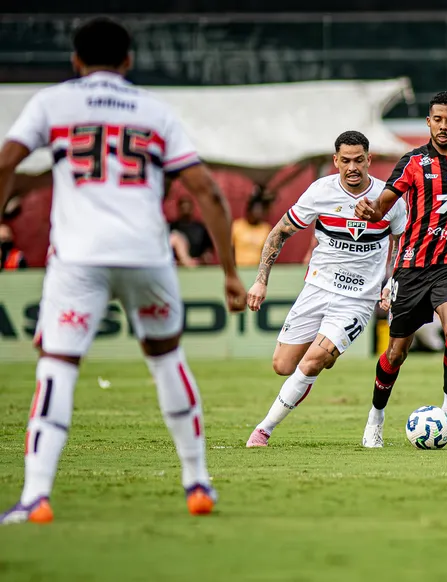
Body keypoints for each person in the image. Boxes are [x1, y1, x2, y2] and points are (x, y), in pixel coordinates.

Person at [0, 17, 246, 524]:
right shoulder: (154, 110)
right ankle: (197, 482)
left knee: (58, 365)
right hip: (146, 255)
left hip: (79, 257)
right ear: (129, 61)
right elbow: (209, 192)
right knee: (166, 357)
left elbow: (7, 161)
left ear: (75, 61)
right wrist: (228, 273)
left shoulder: (53, 102)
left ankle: (37, 496)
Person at [354, 91, 447, 447]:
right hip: (411, 267)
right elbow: (382, 208)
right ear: (428, 121)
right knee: (396, 352)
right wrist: (369, 212)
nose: (443, 126)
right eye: (437, 119)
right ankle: (375, 416)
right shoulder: (411, 163)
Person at [245, 130, 406, 447]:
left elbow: (404, 242)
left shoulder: (388, 199)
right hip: (316, 290)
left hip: (358, 300)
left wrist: (392, 282)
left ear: (369, 160)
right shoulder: (320, 192)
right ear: (336, 161)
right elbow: (279, 233)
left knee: (311, 362)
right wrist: (261, 280)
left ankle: (262, 431)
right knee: (283, 366)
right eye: (345, 161)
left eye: (359, 160)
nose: (352, 167)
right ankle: (326, 350)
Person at [232, 194, 272, 267]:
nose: (258, 213)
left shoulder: (266, 229)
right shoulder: (237, 226)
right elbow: (230, 250)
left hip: (257, 269)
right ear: (249, 210)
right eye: (256, 210)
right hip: (239, 268)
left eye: (260, 210)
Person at [170, 195, 213, 263]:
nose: (185, 210)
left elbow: (208, 250)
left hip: (198, 263)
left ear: (192, 208)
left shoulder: (201, 228)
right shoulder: (172, 227)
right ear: (179, 209)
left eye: (187, 207)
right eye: (183, 208)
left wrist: (203, 259)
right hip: (176, 263)